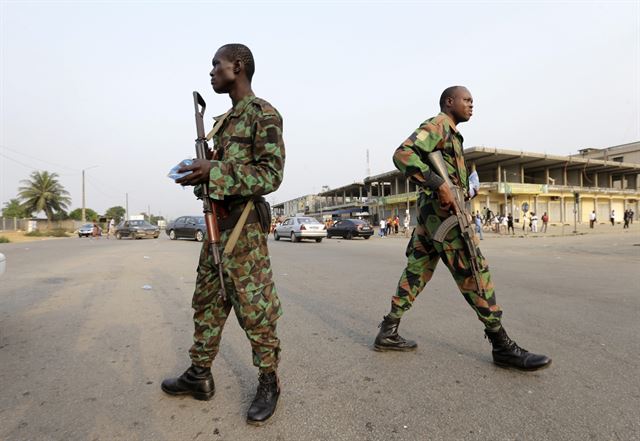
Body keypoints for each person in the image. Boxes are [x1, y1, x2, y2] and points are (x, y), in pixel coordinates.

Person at [373, 86, 551, 371]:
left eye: (472, 101)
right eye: (466, 100)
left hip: (434, 218)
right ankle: (501, 345)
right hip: (445, 217)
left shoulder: (451, 134)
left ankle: (388, 330)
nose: (471, 105)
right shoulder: (440, 124)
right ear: (449, 102)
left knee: (416, 271)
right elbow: (402, 154)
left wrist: (461, 190)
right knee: (475, 272)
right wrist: (439, 184)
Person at [162, 44, 285, 425]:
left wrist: (213, 172)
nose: (212, 71)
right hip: (217, 226)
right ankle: (200, 374)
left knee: (256, 311)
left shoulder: (263, 114)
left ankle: (269, 381)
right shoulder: (225, 121)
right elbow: (223, 177)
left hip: (244, 230)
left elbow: (270, 175)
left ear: (238, 66)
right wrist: (200, 176)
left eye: (216, 64)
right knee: (207, 303)